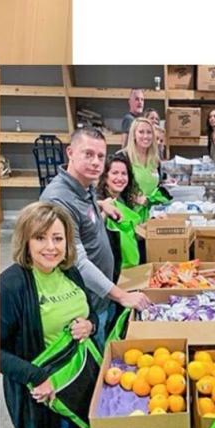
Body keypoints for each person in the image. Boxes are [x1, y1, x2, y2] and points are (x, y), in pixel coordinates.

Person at [0, 201, 104, 428]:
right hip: (41, 400)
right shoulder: (15, 284)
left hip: (76, 391)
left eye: (57, 239)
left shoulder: (70, 271)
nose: (50, 247)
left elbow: (89, 309)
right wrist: (35, 376)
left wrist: (89, 325)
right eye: (41, 238)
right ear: (26, 241)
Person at [40, 127, 152, 333]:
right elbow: (77, 261)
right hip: (85, 304)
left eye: (100, 156)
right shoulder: (59, 200)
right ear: (70, 153)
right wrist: (122, 296)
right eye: (88, 154)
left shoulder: (85, 187)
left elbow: (83, 218)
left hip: (102, 295)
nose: (95, 162)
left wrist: (101, 205)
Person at [100, 151, 148, 268]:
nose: (120, 178)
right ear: (105, 177)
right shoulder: (101, 202)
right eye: (115, 173)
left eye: (124, 173)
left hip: (128, 267)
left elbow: (132, 233)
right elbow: (94, 232)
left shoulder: (123, 200)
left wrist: (152, 225)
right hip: (112, 269)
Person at [123, 116, 166, 221]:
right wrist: (132, 198)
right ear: (134, 134)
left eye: (149, 132)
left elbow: (158, 186)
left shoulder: (155, 160)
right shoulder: (124, 157)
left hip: (152, 216)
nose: (146, 136)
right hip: (128, 216)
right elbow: (113, 188)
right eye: (141, 132)